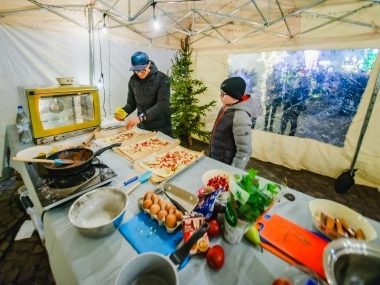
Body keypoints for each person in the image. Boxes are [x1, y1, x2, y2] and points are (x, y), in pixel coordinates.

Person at [114, 51, 173, 137]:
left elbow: (163, 104)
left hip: (161, 128)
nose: (140, 73)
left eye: (143, 70)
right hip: (143, 128)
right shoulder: (133, 80)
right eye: (136, 71)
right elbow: (131, 104)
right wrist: (120, 114)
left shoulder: (162, 78)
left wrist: (141, 117)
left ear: (149, 64)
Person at [209, 77, 253, 170]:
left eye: (223, 94)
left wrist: (234, 171)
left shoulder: (241, 118)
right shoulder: (227, 107)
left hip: (225, 165)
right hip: (217, 158)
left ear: (233, 98)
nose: (219, 96)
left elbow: (244, 151)